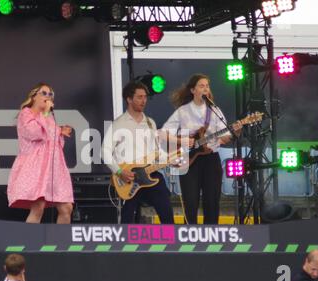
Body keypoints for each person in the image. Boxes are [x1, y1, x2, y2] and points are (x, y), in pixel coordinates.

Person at [162, 74, 241, 224]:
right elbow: (163, 133)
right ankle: (189, 237)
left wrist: (235, 131)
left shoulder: (214, 110)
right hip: (189, 160)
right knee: (190, 202)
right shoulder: (183, 111)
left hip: (211, 158)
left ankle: (211, 238)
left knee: (211, 201)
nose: (206, 88)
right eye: (201, 85)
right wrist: (183, 140)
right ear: (193, 90)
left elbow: (224, 137)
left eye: (207, 85)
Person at [102, 81, 174, 224]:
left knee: (165, 206)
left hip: (150, 174)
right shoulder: (119, 123)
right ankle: (125, 244)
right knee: (128, 216)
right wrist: (119, 172)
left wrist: (171, 159)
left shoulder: (150, 122)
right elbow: (104, 151)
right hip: (128, 177)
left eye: (145, 97)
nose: (144, 101)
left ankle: (172, 241)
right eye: (139, 97)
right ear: (129, 99)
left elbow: (156, 152)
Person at [7, 83, 74, 224]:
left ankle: (60, 244)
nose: (48, 96)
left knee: (66, 208)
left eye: (50, 94)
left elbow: (56, 144)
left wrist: (61, 132)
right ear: (34, 96)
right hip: (35, 168)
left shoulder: (49, 118)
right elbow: (34, 133)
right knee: (38, 207)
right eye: (44, 93)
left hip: (54, 169)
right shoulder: (26, 114)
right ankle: (29, 243)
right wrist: (44, 114)